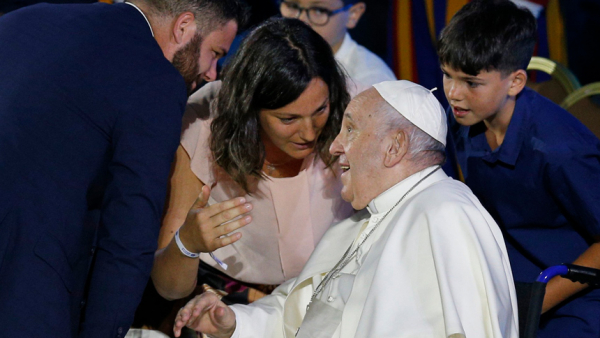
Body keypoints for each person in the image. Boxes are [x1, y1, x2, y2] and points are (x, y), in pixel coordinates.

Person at [172, 80, 519, 338]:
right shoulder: (358, 223)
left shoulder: (446, 210)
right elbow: (296, 312)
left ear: (394, 146)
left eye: (350, 129)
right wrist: (236, 323)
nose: (335, 146)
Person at [0, 0, 247, 337]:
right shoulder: (156, 82)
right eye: (215, 52)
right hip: (25, 289)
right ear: (184, 26)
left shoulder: (25, 17)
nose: (212, 72)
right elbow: (127, 238)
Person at [150, 18, 354, 306]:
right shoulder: (206, 120)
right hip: (226, 301)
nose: (309, 132)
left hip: (328, 299)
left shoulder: (353, 107)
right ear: (249, 109)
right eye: (288, 119)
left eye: (320, 110)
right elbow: (169, 287)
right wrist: (187, 244)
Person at [438, 0, 600, 337]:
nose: (453, 93)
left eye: (471, 82)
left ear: (515, 82)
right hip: (507, 287)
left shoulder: (559, 149)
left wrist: (530, 304)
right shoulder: (465, 120)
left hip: (572, 302)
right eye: (447, 75)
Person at [279, 0, 396, 97]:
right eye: (292, 6)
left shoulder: (371, 84)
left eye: (319, 10)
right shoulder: (268, 56)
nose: (301, 20)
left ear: (353, 14)